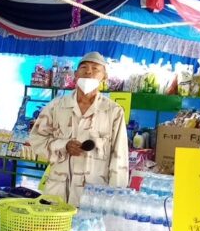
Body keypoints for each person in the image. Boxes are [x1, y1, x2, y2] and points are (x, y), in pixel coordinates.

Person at [28, 52, 129, 205]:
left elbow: (120, 157)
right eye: (84, 67)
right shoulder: (56, 106)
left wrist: (115, 198)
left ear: (104, 77)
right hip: (58, 193)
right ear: (75, 75)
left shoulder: (113, 112)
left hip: (92, 197)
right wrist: (63, 145)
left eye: (95, 69)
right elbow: (36, 139)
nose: (88, 71)